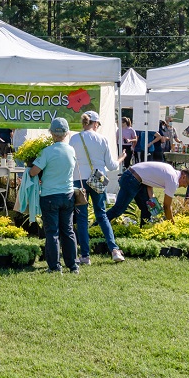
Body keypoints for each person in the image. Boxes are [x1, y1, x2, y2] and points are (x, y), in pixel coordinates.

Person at [69, 110, 127, 264]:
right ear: (95, 123)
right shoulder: (102, 139)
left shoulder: (74, 138)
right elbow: (112, 166)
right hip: (98, 177)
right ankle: (114, 250)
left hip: (79, 179)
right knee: (101, 214)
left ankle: (85, 256)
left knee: (81, 218)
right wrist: (121, 158)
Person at [30, 117, 79, 274]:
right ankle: (73, 265)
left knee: (52, 232)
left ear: (51, 132)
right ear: (66, 133)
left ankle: (54, 266)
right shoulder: (71, 150)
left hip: (50, 196)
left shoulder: (47, 152)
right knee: (68, 231)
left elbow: (33, 172)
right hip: (68, 195)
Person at [106, 161, 189, 224]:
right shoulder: (173, 180)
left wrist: (152, 200)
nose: (185, 186)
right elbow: (167, 206)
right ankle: (96, 226)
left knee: (147, 210)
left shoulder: (171, 171)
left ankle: (144, 232)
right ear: (183, 176)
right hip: (131, 179)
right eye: (187, 183)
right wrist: (172, 224)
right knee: (118, 210)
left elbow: (149, 182)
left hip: (135, 178)